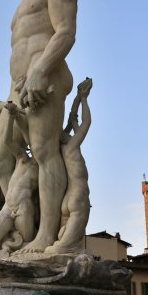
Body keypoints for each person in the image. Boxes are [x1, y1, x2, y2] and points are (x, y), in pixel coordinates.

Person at [0, 0, 77, 253]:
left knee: (43, 152)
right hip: (16, 87)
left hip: (47, 77)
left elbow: (66, 32)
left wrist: (40, 70)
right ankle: (23, 221)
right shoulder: (20, 7)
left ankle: (46, 237)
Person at [0, 102, 39, 257]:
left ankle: (9, 255)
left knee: (23, 249)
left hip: (24, 208)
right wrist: (11, 118)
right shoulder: (22, 157)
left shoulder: (45, 168)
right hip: (8, 207)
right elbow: (7, 141)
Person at [45, 78, 92, 254]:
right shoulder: (72, 148)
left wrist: (78, 98)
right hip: (79, 197)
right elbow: (85, 123)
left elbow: (72, 121)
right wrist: (85, 99)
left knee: (60, 247)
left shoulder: (61, 149)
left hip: (66, 201)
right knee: (63, 250)